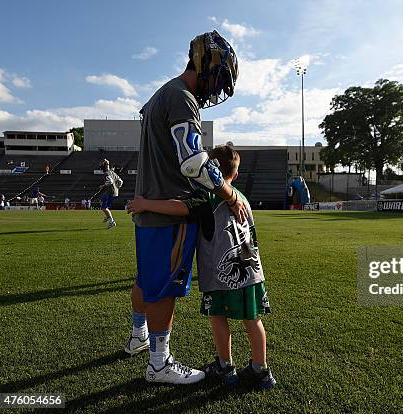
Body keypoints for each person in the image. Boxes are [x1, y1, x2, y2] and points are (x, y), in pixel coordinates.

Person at [125, 31, 246, 385]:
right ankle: (159, 363)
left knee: (147, 280)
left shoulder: (162, 94)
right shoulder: (182, 97)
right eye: (220, 77)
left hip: (151, 207)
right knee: (164, 288)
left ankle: (138, 336)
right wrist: (229, 193)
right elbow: (193, 162)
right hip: (169, 210)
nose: (218, 88)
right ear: (205, 64)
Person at [127, 146, 276, 389]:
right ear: (235, 176)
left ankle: (225, 367)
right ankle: (261, 371)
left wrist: (146, 203)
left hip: (222, 274)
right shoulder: (241, 198)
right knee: (253, 319)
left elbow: (180, 207)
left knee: (218, 317)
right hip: (252, 273)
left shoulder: (207, 195)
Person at [96, 159, 122, 229]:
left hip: (110, 192)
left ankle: (111, 221)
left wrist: (103, 186)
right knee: (102, 200)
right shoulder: (112, 172)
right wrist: (117, 187)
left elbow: (109, 182)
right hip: (114, 192)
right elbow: (120, 181)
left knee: (104, 208)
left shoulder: (106, 173)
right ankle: (107, 216)